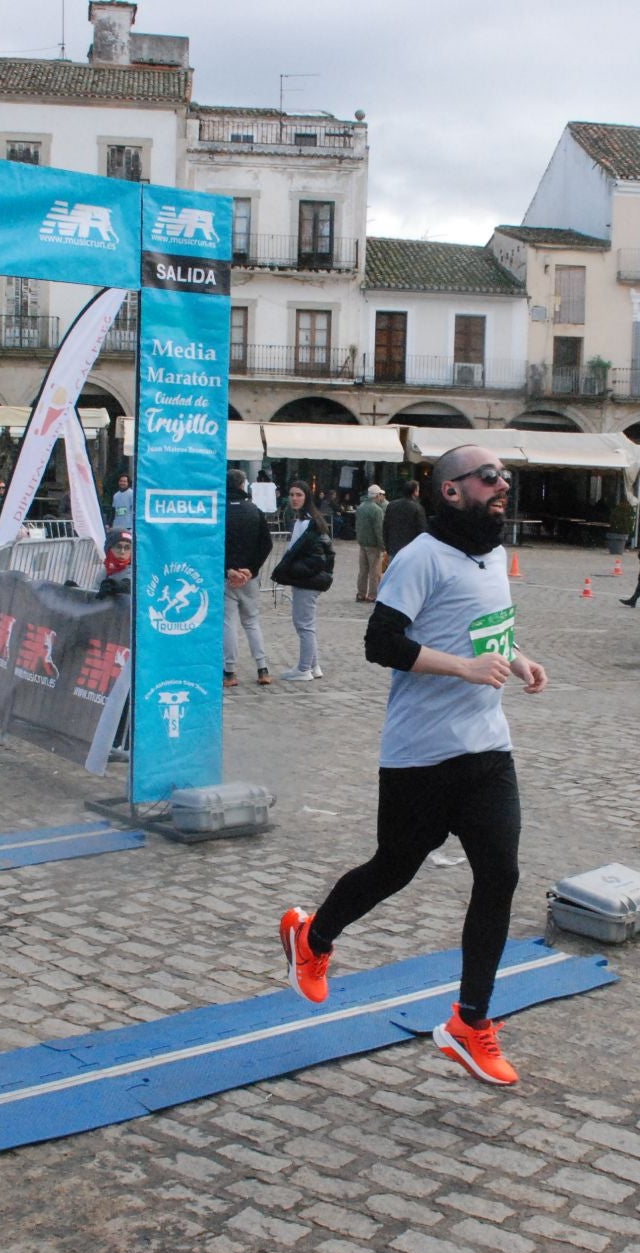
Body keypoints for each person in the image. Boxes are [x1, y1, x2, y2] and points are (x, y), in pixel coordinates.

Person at [278, 443, 549, 1086]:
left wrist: (516, 657)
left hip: (486, 749)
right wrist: (463, 667)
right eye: (489, 478)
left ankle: (469, 1022)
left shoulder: (493, 555)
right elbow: (382, 642)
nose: (501, 485)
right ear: (452, 490)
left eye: (505, 476)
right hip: (420, 755)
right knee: (393, 868)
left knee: (500, 875)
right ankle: (312, 939)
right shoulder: (421, 558)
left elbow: (483, 630)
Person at [270, 479, 335, 681]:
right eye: (292, 495)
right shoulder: (306, 520)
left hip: (307, 581)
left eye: (299, 495)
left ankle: (304, 668)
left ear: (307, 497)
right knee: (305, 624)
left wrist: (293, 571)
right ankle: (313, 666)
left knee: (304, 625)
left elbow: (314, 558)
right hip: (308, 579)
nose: (294, 498)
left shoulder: (307, 523)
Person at [223, 469, 273, 687]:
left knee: (229, 623)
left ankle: (230, 671)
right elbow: (267, 544)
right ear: (243, 485)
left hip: (227, 576)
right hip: (249, 578)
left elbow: (213, 546)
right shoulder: (254, 510)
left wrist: (228, 570)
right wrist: (251, 569)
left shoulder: (220, 512)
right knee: (252, 622)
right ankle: (262, 668)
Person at [355, 482, 387, 602]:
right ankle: (372, 595)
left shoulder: (361, 507)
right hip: (373, 545)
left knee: (363, 571)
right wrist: (383, 546)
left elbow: (357, 525)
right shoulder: (377, 510)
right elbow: (378, 530)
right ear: (377, 496)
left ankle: (361, 593)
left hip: (362, 543)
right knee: (374, 571)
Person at [382, 478, 425, 563]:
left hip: (393, 548)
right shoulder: (418, 508)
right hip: (410, 551)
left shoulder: (391, 505)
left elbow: (385, 527)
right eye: (418, 490)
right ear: (415, 492)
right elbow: (421, 532)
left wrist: (387, 547)